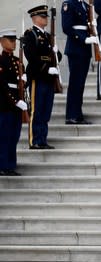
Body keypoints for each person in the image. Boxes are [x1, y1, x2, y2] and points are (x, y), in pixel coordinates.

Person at [23, 5, 62, 149]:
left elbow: (57, 57)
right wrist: (46, 69)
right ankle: (34, 140)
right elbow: (31, 57)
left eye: (46, 16)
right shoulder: (30, 34)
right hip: (38, 77)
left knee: (46, 111)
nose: (45, 19)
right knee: (36, 110)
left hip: (49, 79)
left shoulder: (47, 36)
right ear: (34, 18)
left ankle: (42, 139)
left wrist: (56, 53)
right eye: (42, 17)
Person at [61, 0, 96, 124]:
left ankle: (77, 113)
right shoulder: (69, 4)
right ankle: (71, 115)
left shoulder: (85, 6)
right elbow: (66, 27)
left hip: (85, 49)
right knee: (75, 83)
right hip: (76, 48)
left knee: (80, 84)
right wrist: (83, 39)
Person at [0, 29, 27, 176]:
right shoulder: (1, 61)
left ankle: (11, 164)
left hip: (17, 104)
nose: (13, 43)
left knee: (14, 136)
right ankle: (3, 165)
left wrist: (25, 81)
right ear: (2, 42)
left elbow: (21, 84)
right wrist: (15, 101)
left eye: (14, 40)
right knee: (4, 136)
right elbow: (3, 85)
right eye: (10, 40)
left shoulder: (17, 61)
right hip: (5, 105)